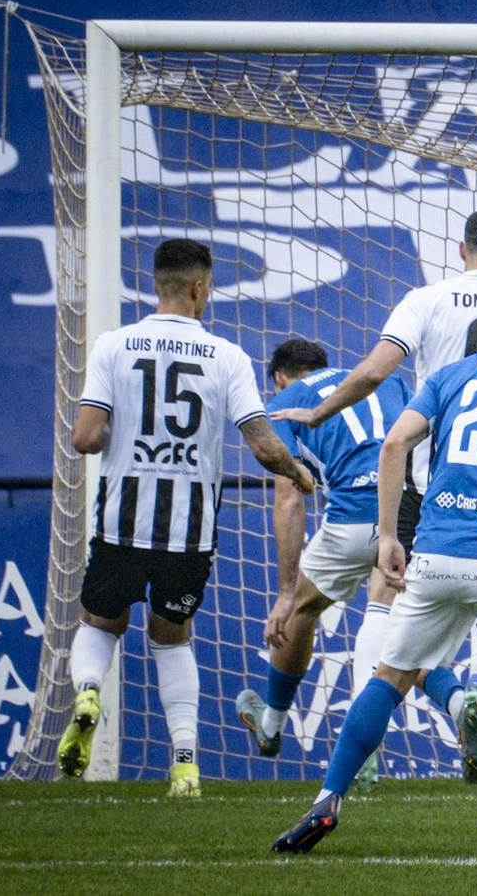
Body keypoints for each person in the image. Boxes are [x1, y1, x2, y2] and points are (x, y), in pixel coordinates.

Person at [272, 276, 477, 857]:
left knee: (390, 676)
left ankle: (326, 801)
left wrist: (389, 535)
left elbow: (394, 445)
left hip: (435, 549)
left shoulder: (448, 376)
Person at [58, 238, 317, 796]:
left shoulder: (113, 344)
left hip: (120, 524)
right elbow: (262, 444)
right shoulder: (225, 356)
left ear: (157, 283)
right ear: (200, 288)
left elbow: (84, 437)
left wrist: (117, 432)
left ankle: (86, 691)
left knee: (100, 624)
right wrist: (297, 472)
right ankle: (184, 764)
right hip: (188, 530)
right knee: (172, 639)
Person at [270, 208, 477, 692]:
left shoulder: (425, 300)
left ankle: (370, 738)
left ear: (462, 250)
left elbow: (372, 372)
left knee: (388, 599)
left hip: (430, 484)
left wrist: (318, 413)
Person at [234, 337, 421, 790]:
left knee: (300, 609)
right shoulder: (386, 382)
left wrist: (283, 593)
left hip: (349, 522)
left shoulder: (285, 402)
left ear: (279, 376)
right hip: (407, 512)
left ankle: (273, 724)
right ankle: (452, 703)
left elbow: (289, 498)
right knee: (406, 627)